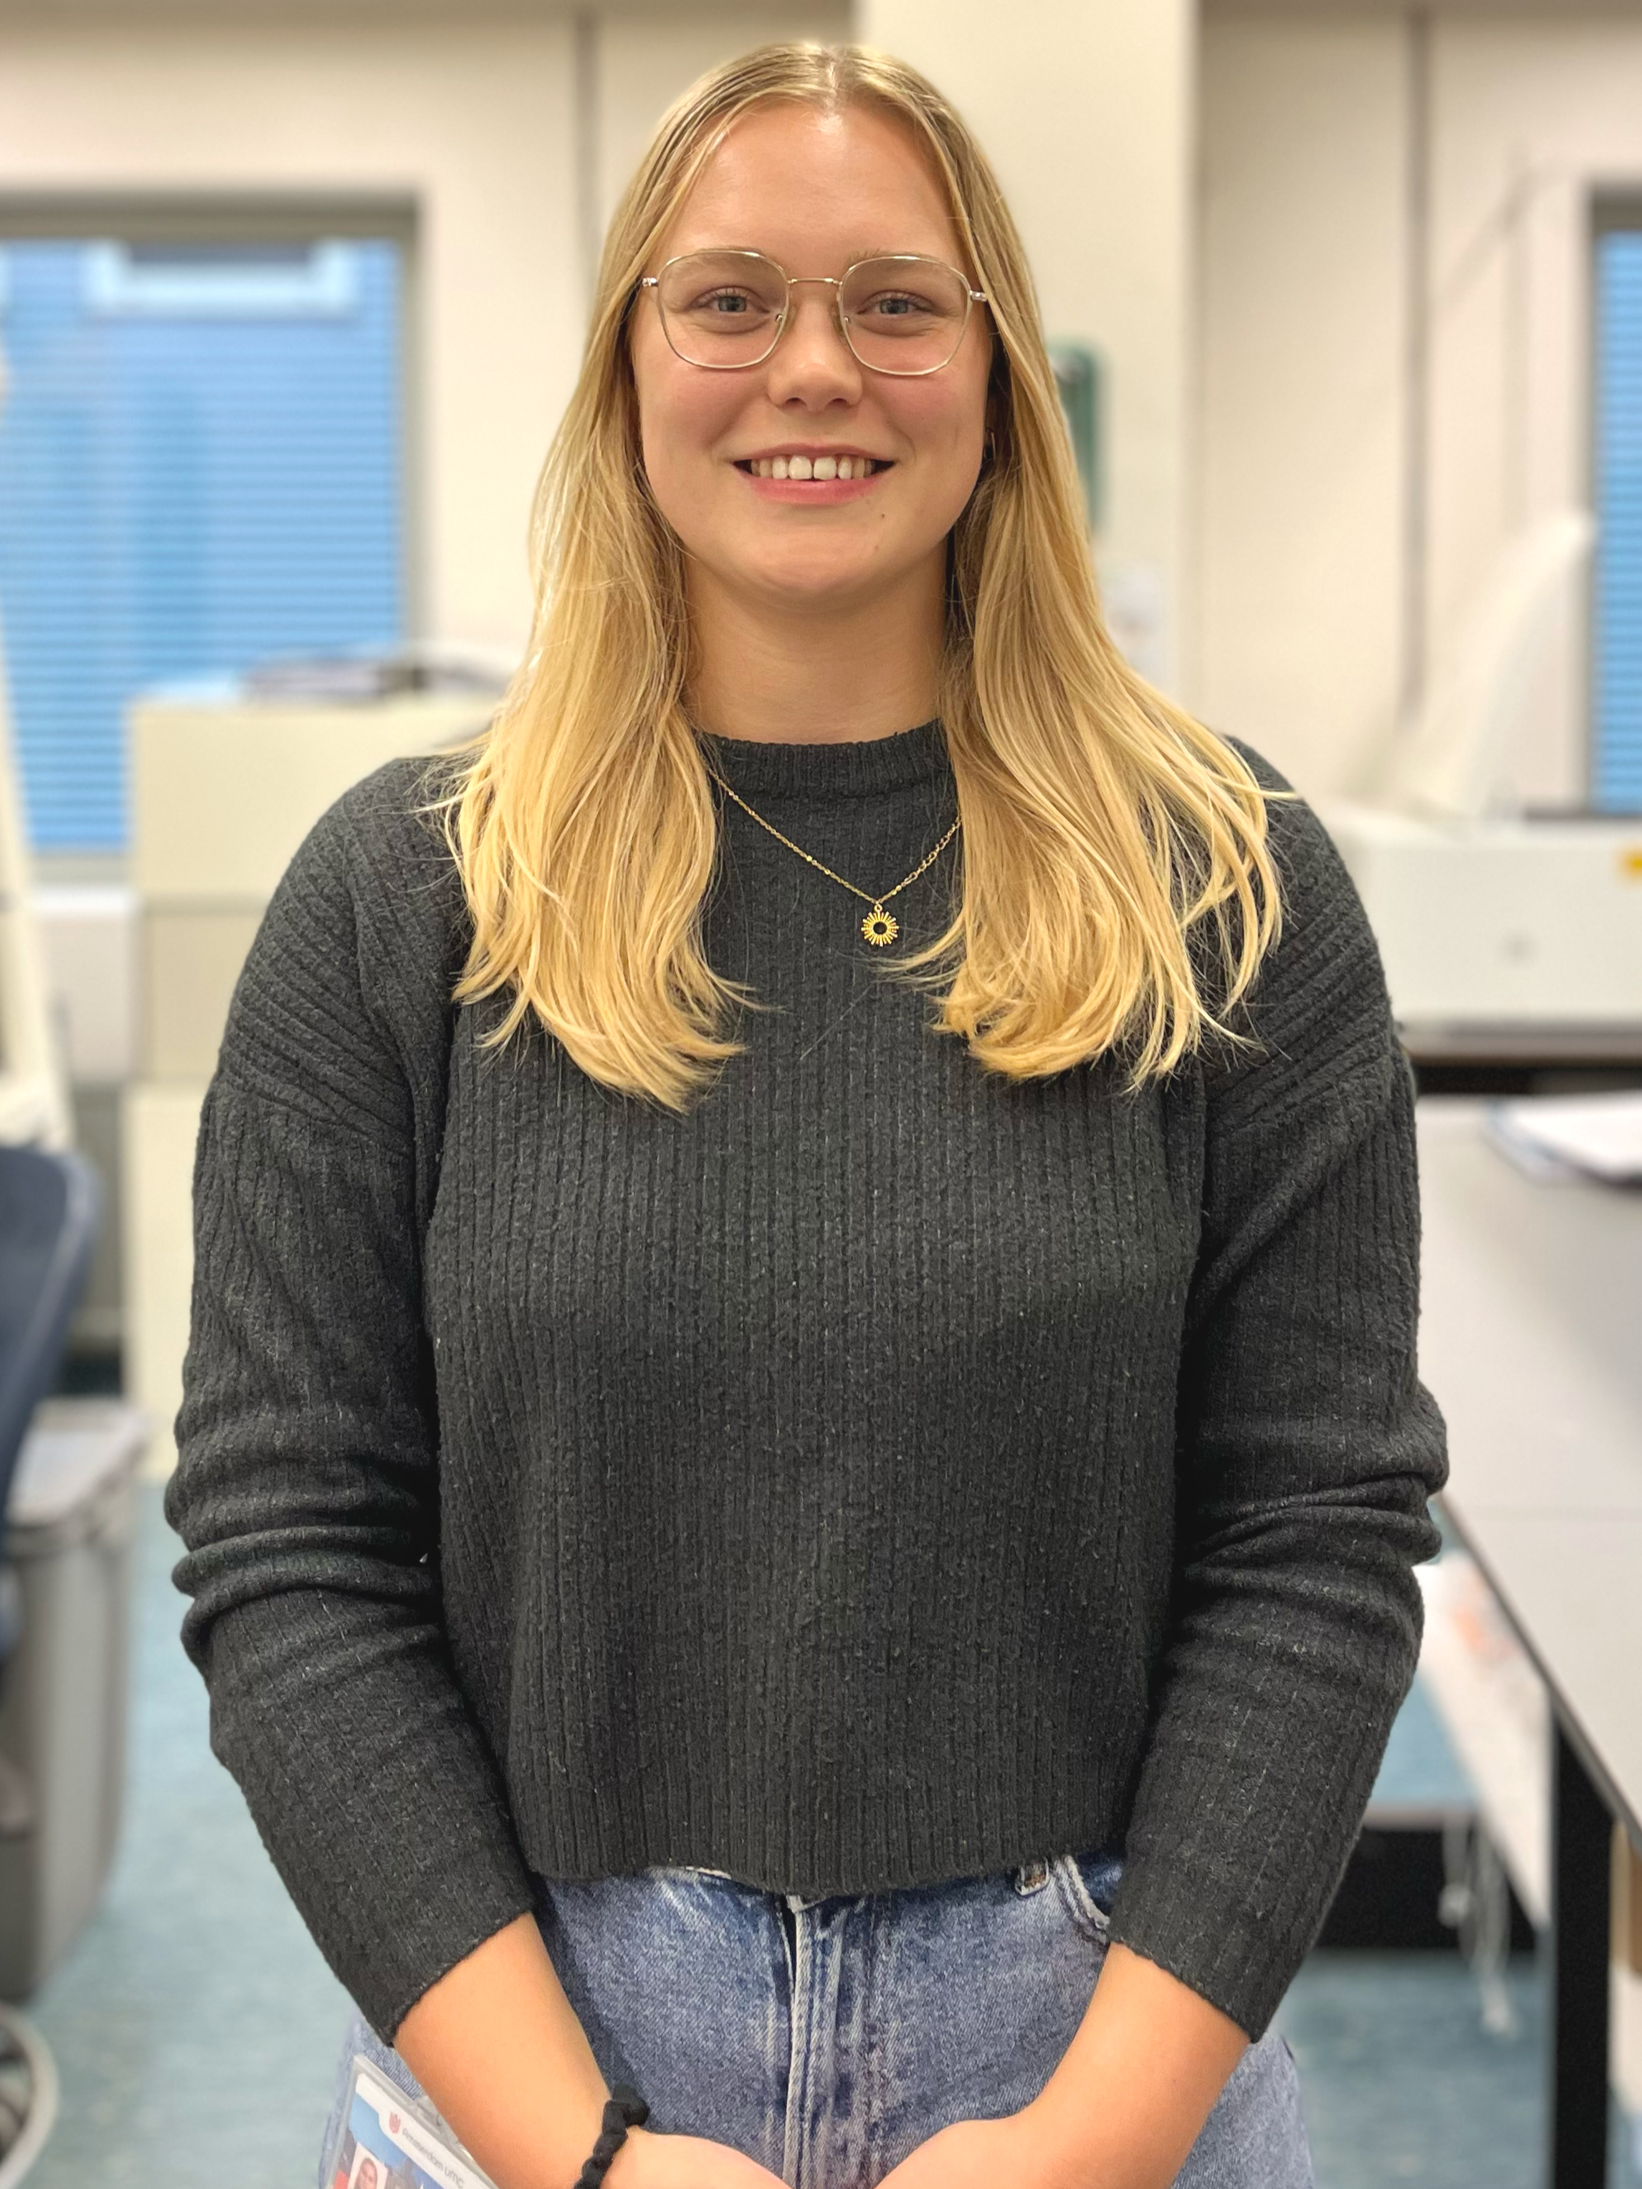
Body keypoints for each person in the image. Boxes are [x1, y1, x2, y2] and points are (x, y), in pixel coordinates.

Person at [166, 39, 1447, 2189]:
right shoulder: (405, 904)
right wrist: (575, 2153)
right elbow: (290, 1557)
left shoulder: (1223, 884)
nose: (812, 369)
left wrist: (1086, 2144)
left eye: (894, 301)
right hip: (535, 2051)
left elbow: (1308, 1543)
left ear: (994, 373)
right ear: (626, 372)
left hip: (1093, 2055)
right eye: (729, 297)